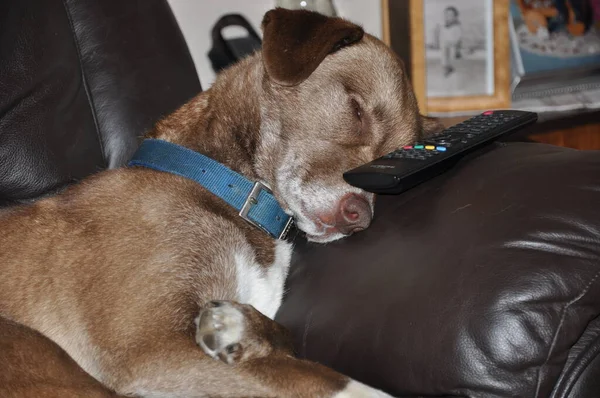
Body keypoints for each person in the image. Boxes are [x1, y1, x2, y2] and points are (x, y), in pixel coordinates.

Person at [438, 6, 462, 77]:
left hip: (454, 45)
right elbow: (441, 37)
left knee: (451, 53)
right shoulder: (443, 26)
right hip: (445, 45)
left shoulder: (457, 27)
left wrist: (454, 43)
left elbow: (458, 38)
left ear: (455, 17)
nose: (448, 17)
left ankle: (450, 67)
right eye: (446, 15)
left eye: (451, 15)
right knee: (444, 54)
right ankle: (447, 68)